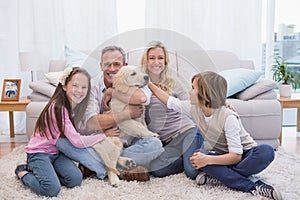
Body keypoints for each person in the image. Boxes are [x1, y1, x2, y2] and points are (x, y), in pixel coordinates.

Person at [165, 71, 281, 200]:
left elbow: (236, 156)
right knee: (198, 156)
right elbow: (170, 101)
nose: (189, 92)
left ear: (205, 93)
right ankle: (227, 176)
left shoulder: (228, 117)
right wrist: (149, 84)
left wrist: (208, 161)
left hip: (247, 155)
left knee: (267, 151)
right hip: (225, 156)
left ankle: (248, 185)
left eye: (193, 88)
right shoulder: (194, 109)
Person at [56, 45, 164, 181]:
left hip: (133, 139)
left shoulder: (137, 78)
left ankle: (101, 166)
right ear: (101, 66)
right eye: (107, 64)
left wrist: (112, 92)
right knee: (66, 143)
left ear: (125, 65)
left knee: (155, 144)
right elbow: (91, 122)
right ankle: (125, 168)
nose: (112, 69)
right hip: (107, 138)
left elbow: (141, 98)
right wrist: (126, 114)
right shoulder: (92, 86)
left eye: (116, 64)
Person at [14, 67, 107, 197]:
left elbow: (74, 131)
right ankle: (23, 172)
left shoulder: (72, 106)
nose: (79, 91)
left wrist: (93, 130)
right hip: (39, 153)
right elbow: (76, 141)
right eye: (75, 85)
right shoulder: (58, 107)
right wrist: (103, 136)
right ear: (64, 86)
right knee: (51, 190)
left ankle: (49, 173)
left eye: (84, 87)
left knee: (75, 179)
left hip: (56, 153)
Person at [141, 41, 202, 178]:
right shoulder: (139, 86)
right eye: (152, 58)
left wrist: (222, 104)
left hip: (187, 132)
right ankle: (190, 158)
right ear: (145, 61)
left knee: (192, 172)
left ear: (165, 61)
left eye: (160, 58)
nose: (156, 62)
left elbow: (192, 106)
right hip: (167, 141)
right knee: (156, 170)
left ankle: (195, 158)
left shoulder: (174, 83)